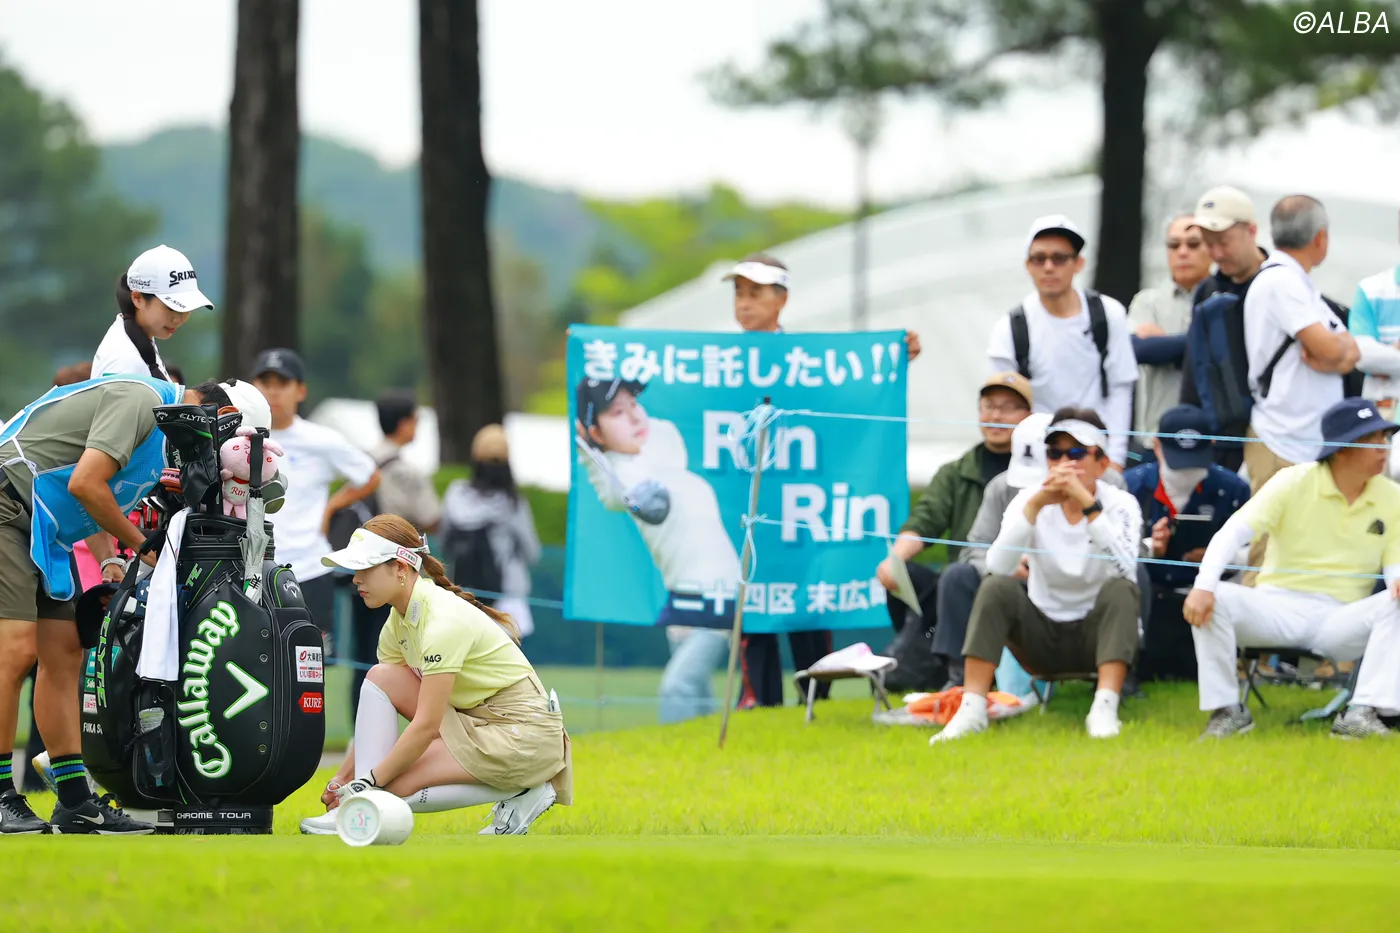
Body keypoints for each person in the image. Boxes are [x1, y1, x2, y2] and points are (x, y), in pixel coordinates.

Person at [0, 376, 268, 834]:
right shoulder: (142, 401)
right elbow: (86, 484)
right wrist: (143, 546)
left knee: (63, 653)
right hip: (9, 506)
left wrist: (110, 558)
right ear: (221, 415)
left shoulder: (168, 439)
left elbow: (84, 497)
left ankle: (75, 802)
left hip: (43, 529)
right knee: (15, 652)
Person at [723, 252, 922, 707]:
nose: (744, 302)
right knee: (753, 604)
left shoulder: (810, 359)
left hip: (801, 505)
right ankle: (758, 703)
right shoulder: (720, 361)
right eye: (739, 293)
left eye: (755, 292)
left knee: (809, 603)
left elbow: (855, 394)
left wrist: (897, 358)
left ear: (782, 299)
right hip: (747, 510)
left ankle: (816, 698)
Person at [300, 515, 570, 836]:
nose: (356, 579)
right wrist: (345, 777)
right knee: (380, 677)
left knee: (392, 783)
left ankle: (528, 786)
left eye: (366, 568)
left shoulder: (443, 621)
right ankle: (359, 805)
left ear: (401, 568)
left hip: (522, 735)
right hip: (475, 723)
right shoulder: (397, 620)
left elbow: (427, 725)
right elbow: (386, 703)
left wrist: (369, 782)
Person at [1184, 398, 1400, 739]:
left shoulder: (1393, 496)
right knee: (1216, 597)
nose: (1382, 447)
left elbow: (1394, 565)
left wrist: (1398, 579)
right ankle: (1227, 710)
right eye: (1371, 439)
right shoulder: (1292, 481)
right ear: (1342, 450)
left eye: (1383, 437)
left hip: (1340, 619)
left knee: (1397, 602)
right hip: (1275, 608)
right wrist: (1203, 585)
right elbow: (1233, 532)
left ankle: (1361, 713)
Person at [931, 409, 1142, 744]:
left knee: (1121, 589)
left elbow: (1125, 569)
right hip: (1041, 635)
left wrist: (1088, 507)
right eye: (1055, 453)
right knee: (996, 587)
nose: (1064, 463)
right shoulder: (1029, 500)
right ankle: (972, 710)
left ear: (1102, 464)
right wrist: (1034, 507)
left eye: (1076, 453)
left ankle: (1105, 707)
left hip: (1098, 634)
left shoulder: (1121, 503)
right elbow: (998, 566)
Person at [575, 376, 740, 723]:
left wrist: (593, 444)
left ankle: (678, 752)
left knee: (678, 686)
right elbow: (615, 492)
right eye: (618, 412)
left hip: (720, 592)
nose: (636, 417)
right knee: (697, 696)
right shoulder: (621, 478)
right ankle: (704, 752)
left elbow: (660, 436)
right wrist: (589, 452)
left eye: (635, 405)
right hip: (683, 596)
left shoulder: (662, 443)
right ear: (597, 432)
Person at [874, 372, 1033, 690]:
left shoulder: (1038, 471)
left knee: (959, 577)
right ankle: (939, 662)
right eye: (988, 406)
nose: (996, 416)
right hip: (965, 579)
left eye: (1007, 407)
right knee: (916, 574)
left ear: (1028, 416)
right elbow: (925, 519)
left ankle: (940, 663)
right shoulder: (956, 472)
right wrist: (895, 559)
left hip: (1023, 577)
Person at [252, 348, 381, 660]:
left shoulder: (320, 439)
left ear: (301, 391)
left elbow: (369, 475)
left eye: (282, 383)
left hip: (309, 570)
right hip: (253, 570)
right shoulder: (241, 437)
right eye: (265, 382)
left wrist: (332, 506)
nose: (273, 392)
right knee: (255, 661)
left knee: (307, 667)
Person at [987, 215, 1138, 469]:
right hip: (1037, 459)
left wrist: (1114, 460)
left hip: (1096, 456)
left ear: (1079, 263)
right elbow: (1001, 405)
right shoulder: (1009, 328)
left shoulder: (1109, 314)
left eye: (1059, 258)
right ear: (1028, 265)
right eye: (1039, 258)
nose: (1048, 267)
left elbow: (1120, 389)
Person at [1124, 405, 1250, 680]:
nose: (1187, 473)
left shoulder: (1233, 490)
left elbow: (1254, 555)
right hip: (1149, 600)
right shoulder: (1131, 487)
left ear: (1212, 447)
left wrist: (1219, 557)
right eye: (1178, 462)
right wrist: (1150, 547)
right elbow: (1110, 552)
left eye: (1195, 462)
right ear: (1157, 447)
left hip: (1208, 600)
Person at [340, 391, 444, 708]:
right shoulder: (407, 471)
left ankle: (360, 721)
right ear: (404, 423)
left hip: (360, 563)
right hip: (394, 569)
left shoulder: (362, 461)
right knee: (394, 652)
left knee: (362, 651)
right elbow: (432, 517)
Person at [1179, 187, 1269, 471]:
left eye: (1224, 241)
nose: (1216, 253)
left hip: (1272, 439)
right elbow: (1195, 367)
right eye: (1208, 243)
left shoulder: (1279, 285)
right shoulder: (1207, 291)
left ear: (1251, 231)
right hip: (1219, 443)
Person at [440, 425, 540, 636]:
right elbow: (532, 552)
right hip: (506, 597)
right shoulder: (512, 502)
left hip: (462, 594)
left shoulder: (456, 494)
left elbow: (445, 541)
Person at [1129, 214, 1214, 439]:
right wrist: (1204, 345)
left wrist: (1166, 344)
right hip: (1156, 438)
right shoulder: (1147, 301)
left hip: (1216, 438)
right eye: (1174, 245)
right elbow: (1139, 350)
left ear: (1212, 248)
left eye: (1193, 244)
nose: (1182, 252)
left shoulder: (1225, 298)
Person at [92, 245, 212, 382]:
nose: (178, 319)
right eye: (171, 307)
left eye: (186, 307)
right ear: (138, 298)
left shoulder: (137, 339)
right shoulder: (123, 361)